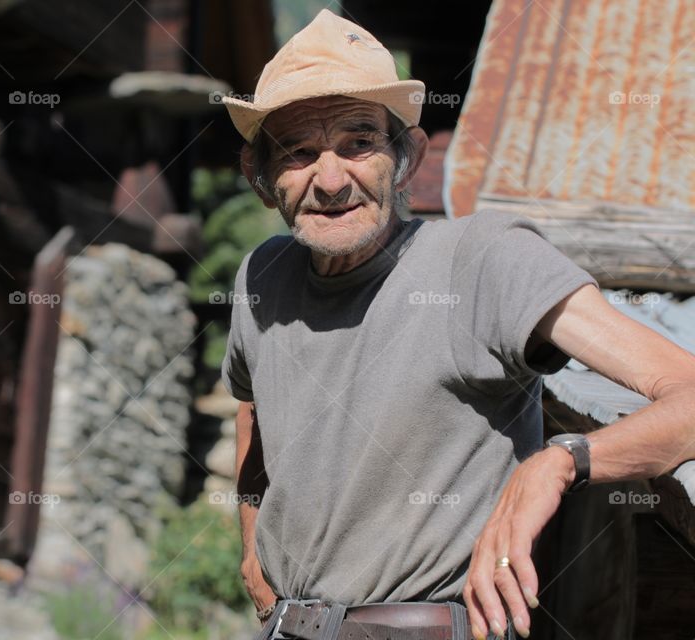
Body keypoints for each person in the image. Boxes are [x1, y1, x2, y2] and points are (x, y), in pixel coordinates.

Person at [219, 9, 695, 640]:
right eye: (299, 152)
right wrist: (253, 550)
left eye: (359, 142)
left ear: (407, 156)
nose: (330, 179)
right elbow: (253, 408)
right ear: (260, 177)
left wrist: (560, 462)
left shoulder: (485, 259)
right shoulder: (263, 275)